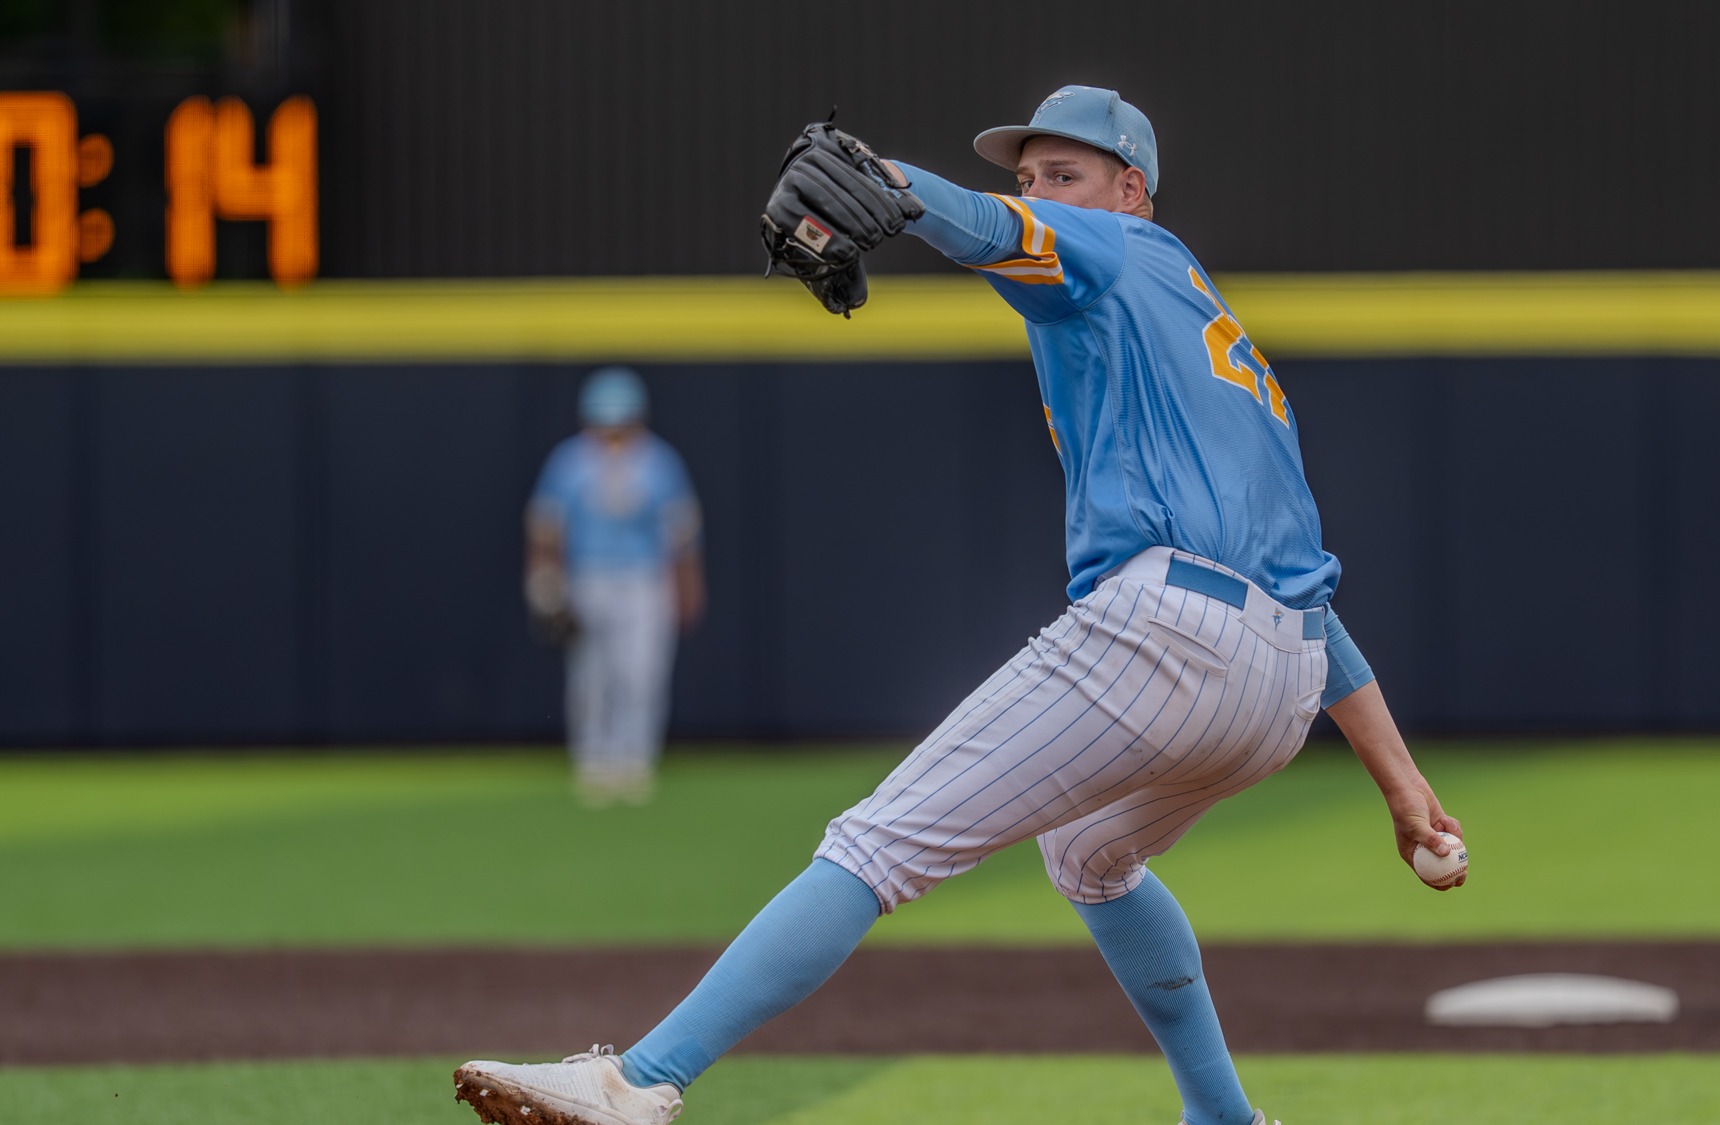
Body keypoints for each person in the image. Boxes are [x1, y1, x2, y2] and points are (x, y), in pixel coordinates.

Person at [458, 87, 1462, 1125]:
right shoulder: (1217, 347)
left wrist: (892, 184)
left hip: (1169, 637)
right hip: (1278, 682)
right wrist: (1398, 782)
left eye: (1063, 175)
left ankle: (637, 1082)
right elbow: (1309, 590)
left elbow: (990, 226)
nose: (1038, 194)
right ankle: (1222, 1118)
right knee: (1089, 858)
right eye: (1028, 175)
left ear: (1132, 195)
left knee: (876, 842)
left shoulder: (1114, 252)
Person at [524, 365, 705, 808]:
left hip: (644, 580)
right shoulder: (569, 462)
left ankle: (635, 761)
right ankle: (593, 761)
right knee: (590, 676)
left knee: (642, 673)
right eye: (606, 426)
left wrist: (688, 587)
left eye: (620, 425)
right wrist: (544, 580)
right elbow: (546, 527)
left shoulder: (660, 462)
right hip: (587, 576)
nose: (613, 436)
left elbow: (681, 534)